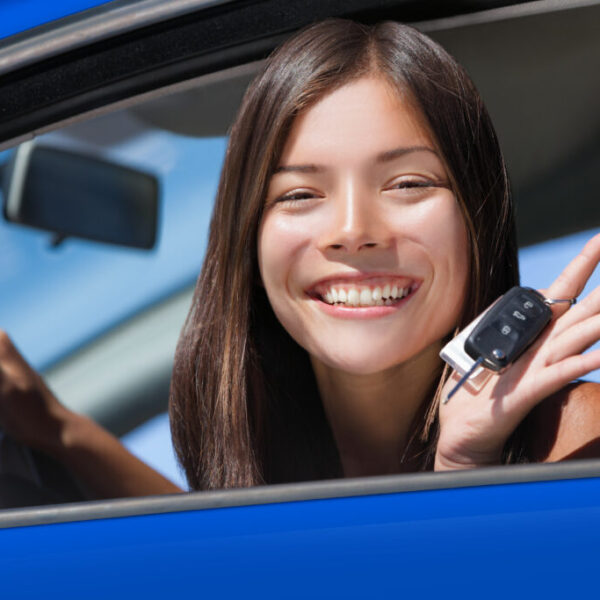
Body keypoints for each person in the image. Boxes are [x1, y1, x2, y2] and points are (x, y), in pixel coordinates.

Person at [1, 19, 600, 499]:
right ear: (247, 243)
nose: (351, 231)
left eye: (408, 184)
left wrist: (465, 472)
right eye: (298, 195)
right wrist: (57, 427)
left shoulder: (579, 446)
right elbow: (226, 565)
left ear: (478, 217)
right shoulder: (270, 460)